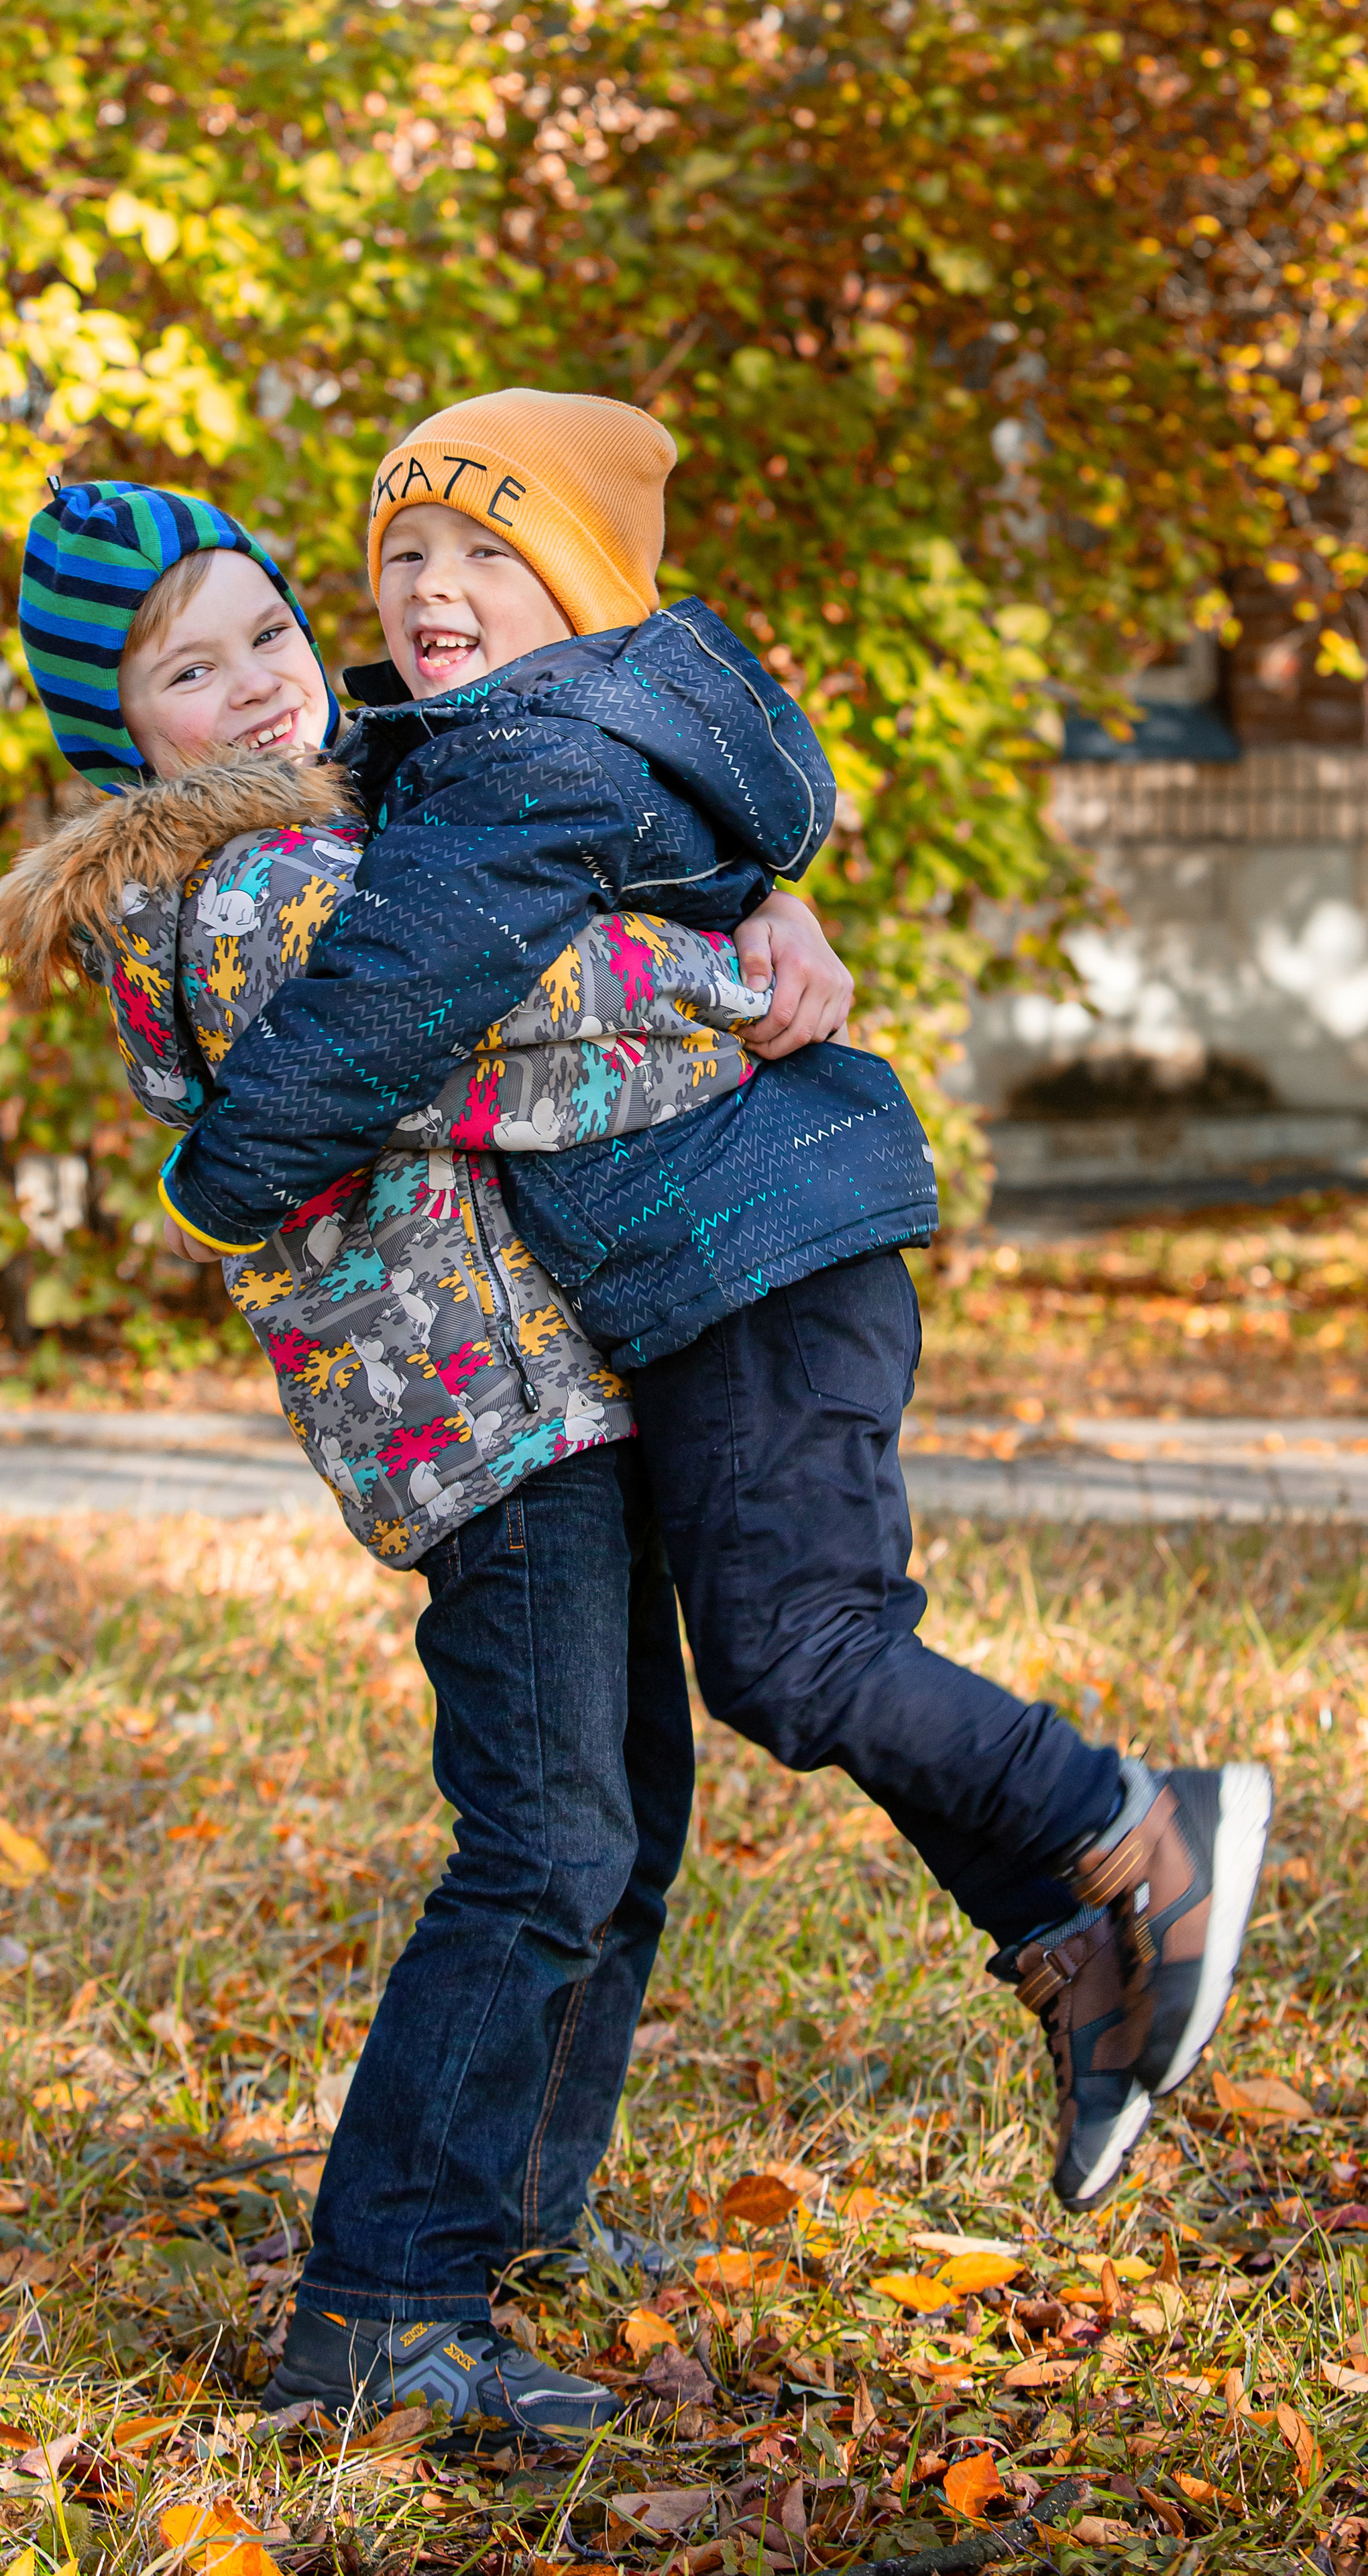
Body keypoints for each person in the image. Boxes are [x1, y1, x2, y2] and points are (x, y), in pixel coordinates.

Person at [147, 394, 1272, 2277]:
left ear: (576, 585)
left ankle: (1125, 1835)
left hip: (732, 1263)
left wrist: (216, 1177)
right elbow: (529, 951)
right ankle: (1090, 1939)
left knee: (779, 1664)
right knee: (674, 1759)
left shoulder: (513, 764)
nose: (418, 595)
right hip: (626, 1324)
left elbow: (425, 997)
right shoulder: (347, 826)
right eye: (397, 558)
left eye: (479, 556)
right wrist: (752, 935)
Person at [0, 482, 847, 2437]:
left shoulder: (358, 814)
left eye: (270, 636)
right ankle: (381, 2306)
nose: (259, 686)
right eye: (188, 670)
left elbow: (553, 875)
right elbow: (513, 1024)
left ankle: (522, 2208)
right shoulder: (236, 888)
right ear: (125, 727)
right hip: (477, 1408)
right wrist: (754, 984)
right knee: (544, 1845)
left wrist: (757, 896)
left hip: (563, 1367)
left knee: (624, 1812)